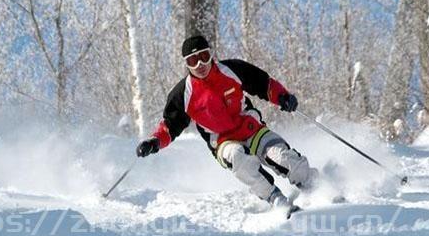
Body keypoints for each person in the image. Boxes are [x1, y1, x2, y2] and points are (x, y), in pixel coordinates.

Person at [136, 35, 318, 213]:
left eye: (203, 57)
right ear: (186, 64)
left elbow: (264, 84)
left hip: (251, 128)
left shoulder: (232, 70)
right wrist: (154, 142)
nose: (199, 65)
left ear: (211, 55)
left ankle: (319, 188)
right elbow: (170, 126)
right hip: (222, 141)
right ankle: (276, 199)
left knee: (282, 158)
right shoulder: (183, 94)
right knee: (238, 158)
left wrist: (283, 97)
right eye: (193, 61)